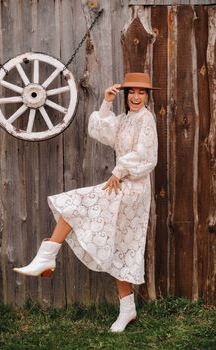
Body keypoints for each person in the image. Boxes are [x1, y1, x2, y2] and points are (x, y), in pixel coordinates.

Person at [14, 72, 159, 332]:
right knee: (120, 246)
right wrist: (106, 102)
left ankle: (48, 254)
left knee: (77, 203)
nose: (136, 97)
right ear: (127, 95)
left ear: (147, 96)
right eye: (132, 92)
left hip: (133, 189)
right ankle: (128, 310)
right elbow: (102, 132)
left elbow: (146, 156)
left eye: (142, 92)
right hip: (122, 183)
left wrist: (119, 170)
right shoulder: (126, 119)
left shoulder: (146, 120)